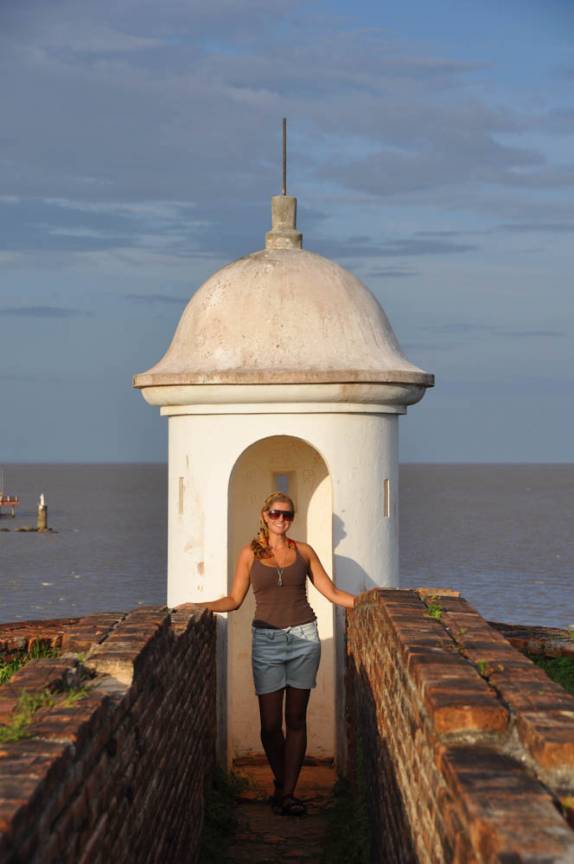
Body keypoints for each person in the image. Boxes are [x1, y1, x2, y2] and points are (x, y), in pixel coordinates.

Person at [196, 491, 355, 816]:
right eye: (275, 513)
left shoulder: (304, 552)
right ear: (264, 515)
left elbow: (333, 593)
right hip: (266, 640)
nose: (281, 519)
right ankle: (283, 784)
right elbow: (234, 599)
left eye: (287, 514)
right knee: (270, 725)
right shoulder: (249, 554)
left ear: (291, 518)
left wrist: (372, 601)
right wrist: (199, 606)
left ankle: (288, 794)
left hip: (303, 638)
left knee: (295, 719)